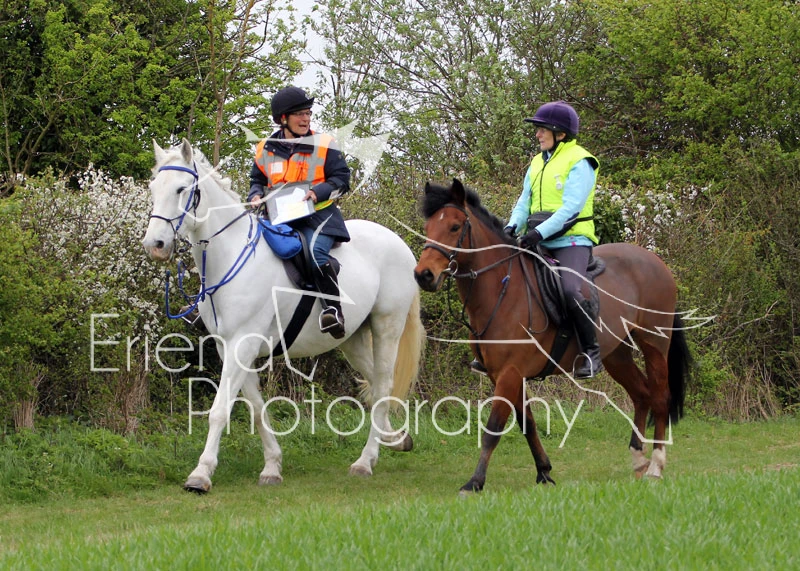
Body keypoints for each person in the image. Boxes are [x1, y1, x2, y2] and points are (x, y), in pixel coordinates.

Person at [506, 101, 603, 379]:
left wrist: (538, 233)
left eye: (542, 129)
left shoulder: (581, 160)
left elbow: (571, 208)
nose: (537, 134)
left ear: (560, 133)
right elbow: (524, 201)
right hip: (538, 238)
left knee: (571, 290)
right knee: (506, 279)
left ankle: (591, 351)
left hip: (572, 241)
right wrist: (511, 227)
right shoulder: (537, 162)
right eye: (537, 130)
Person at [248, 86, 351, 338]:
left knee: (315, 252)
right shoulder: (265, 148)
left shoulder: (325, 144)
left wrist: (318, 192)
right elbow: (257, 179)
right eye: (300, 114)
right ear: (283, 119)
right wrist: (255, 195)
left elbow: (342, 179)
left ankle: (333, 310)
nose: (306, 119)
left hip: (319, 217)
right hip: (279, 217)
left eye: (308, 113)